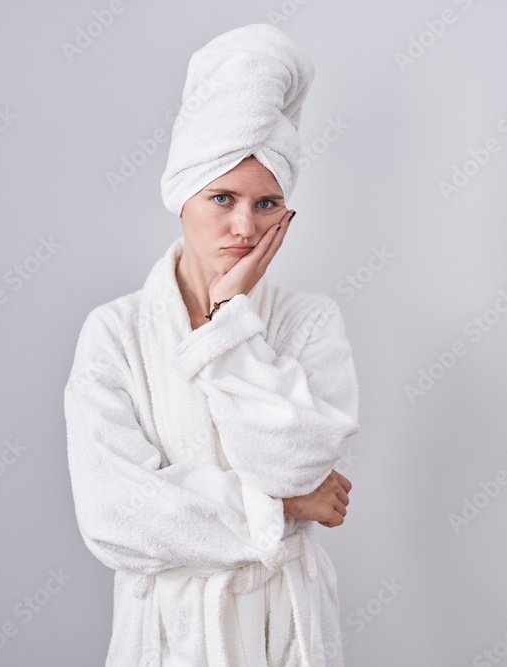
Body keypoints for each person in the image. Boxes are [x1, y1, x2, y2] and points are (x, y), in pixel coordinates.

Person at [65, 24, 360, 666]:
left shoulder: (310, 323)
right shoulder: (114, 335)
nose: (244, 227)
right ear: (182, 197)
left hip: (287, 632)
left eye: (266, 203)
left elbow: (301, 467)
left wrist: (229, 320)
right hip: (170, 640)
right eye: (221, 197)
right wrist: (279, 510)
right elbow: (116, 516)